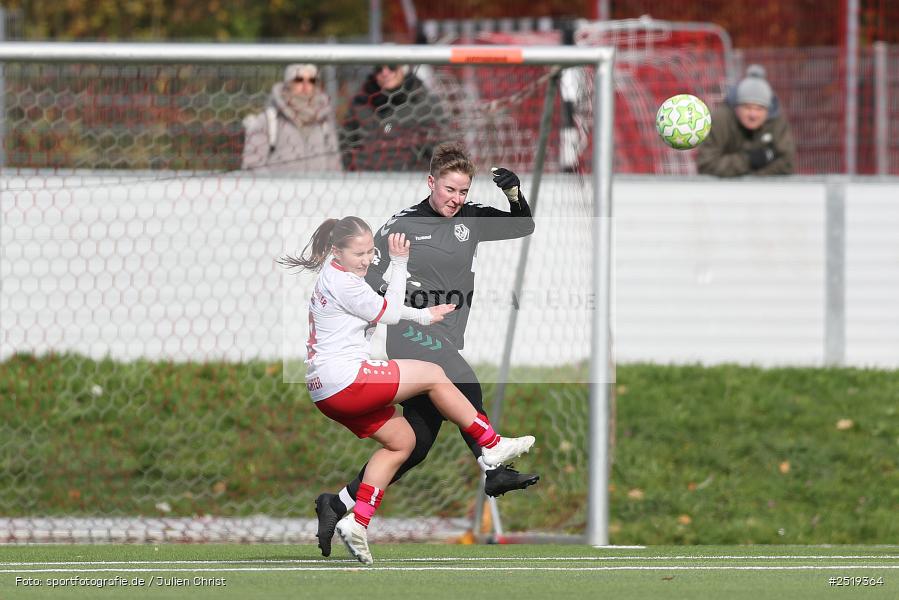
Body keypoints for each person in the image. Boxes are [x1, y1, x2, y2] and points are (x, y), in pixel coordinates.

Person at [313, 142, 540, 557]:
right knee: (465, 382)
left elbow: (522, 226)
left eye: (463, 192)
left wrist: (514, 196)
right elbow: (368, 275)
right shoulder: (403, 225)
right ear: (431, 182)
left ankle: (340, 503)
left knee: (413, 446)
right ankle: (492, 465)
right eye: (450, 189)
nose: (456, 200)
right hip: (412, 333)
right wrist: (398, 302)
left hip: (446, 333)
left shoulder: (470, 218)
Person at [340, 64, 447, 171]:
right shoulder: (360, 102)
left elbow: (442, 150)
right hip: (366, 181)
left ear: (404, 69)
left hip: (412, 181)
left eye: (392, 66)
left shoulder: (424, 103)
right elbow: (345, 144)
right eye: (379, 69)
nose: (385, 73)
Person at [697, 64, 796, 177]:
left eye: (759, 109)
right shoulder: (721, 120)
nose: (753, 115)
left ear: (768, 111)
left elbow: (787, 163)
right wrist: (747, 160)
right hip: (724, 189)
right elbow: (706, 164)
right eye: (747, 107)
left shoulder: (776, 122)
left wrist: (755, 178)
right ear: (736, 107)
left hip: (765, 189)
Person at [242, 63, 341, 172]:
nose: (305, 85)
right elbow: (252, 165)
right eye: (299, 79)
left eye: (311, 80)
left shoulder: (324, 121)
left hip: (319, 187)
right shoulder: (268, 120)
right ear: (288, 84)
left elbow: (334, 164)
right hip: (278, 188)